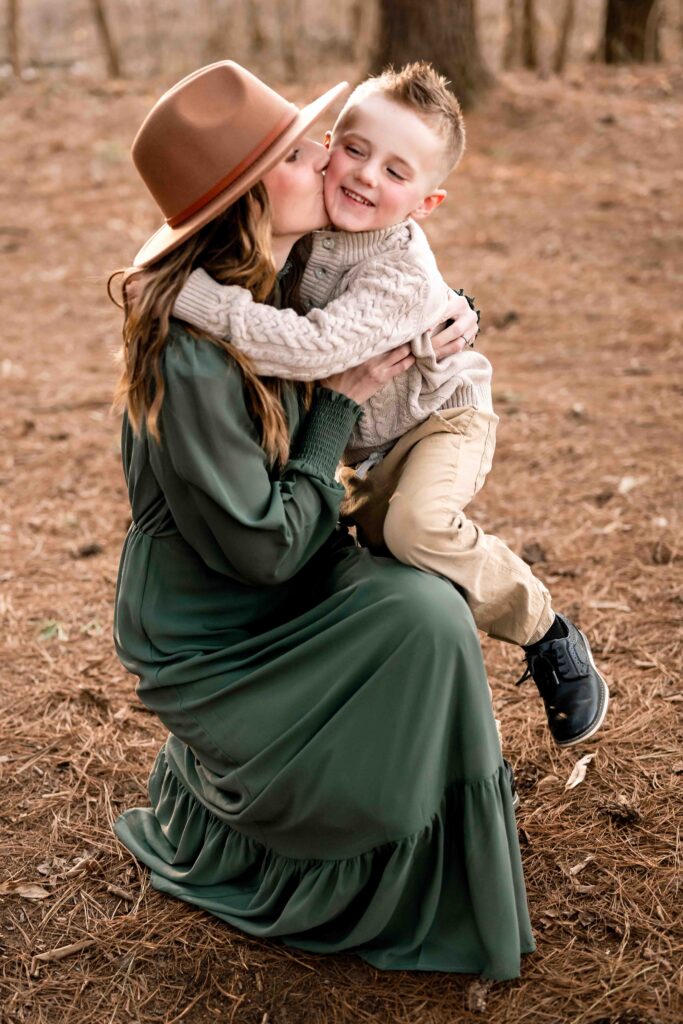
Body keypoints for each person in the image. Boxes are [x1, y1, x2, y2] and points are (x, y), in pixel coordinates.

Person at [112, 60, 534, 981]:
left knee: (430, 606)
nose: (334, 166)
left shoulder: (273, 278)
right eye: (310, 152)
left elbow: (391, 276)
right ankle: (354, 880)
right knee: (421, 623)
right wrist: (341, 404)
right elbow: (262, 549)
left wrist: (447, 311)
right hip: (220, 615)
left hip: (291, 551)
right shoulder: (197, 349)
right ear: (248, 192)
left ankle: (426, 863)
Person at [169, 62, 609, 749]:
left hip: (442, 415)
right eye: (354, 149)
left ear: (426, 203)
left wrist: (197, 300)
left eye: (397, 173)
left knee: (417, 528)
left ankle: (545, 630)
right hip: (372, 441)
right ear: (327, 145)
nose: (366, 176)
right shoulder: (306, 225)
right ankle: (414, 701)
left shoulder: (401, 270)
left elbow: (315, 348)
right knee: (378, 547)